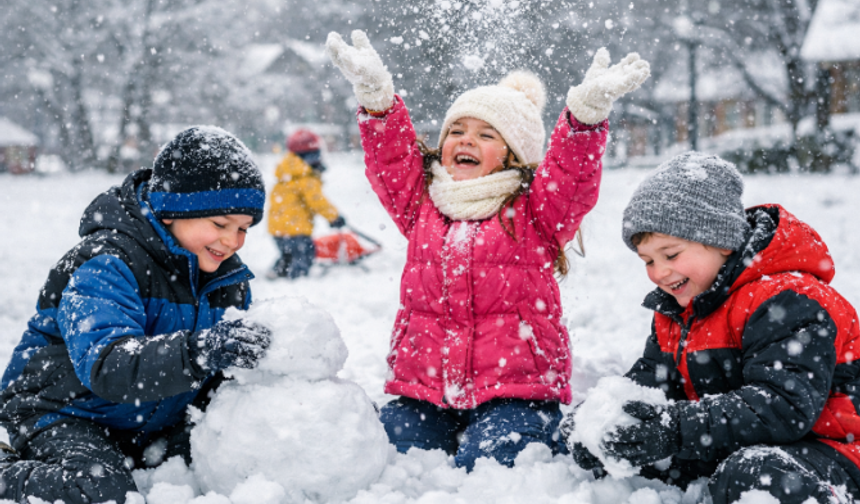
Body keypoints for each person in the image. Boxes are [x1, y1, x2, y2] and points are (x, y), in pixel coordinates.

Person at [326, 30, 650, 471]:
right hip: (427, 388)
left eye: (484, 134)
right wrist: (377, 100)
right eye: (456, 130)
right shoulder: (423, 205)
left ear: (514, 154)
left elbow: (570, 176)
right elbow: (392, 162)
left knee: (499, 462)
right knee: (391, 455)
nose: (465, 140)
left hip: (516, 387)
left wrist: (585, 118)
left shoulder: (535, 213)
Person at [562, 152, 860, 503]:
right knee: (635, 457)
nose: (659, 273)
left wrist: (674, 428)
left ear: (719, 240)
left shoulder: (789, 300)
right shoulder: (676, 312)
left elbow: (782, 406)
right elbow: (650, 382)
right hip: (736, 443)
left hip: (831, 451)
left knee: (753, 476)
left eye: (670, 255)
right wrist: (603, 420)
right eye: (648, 261)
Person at [0, 126, 274, 504]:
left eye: (244, 228)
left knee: (246, 463)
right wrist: (200, 351)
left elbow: (223, 376)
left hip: (149, 421)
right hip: (65, 413)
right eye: (220, 224)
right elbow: (108, 365)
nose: (233, 241)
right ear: (172, 211)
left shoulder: (227, 280)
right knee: (102, 491)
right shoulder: (108, 262)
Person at [267, 128, 346, 279]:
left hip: (277, 229)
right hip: (296, 229)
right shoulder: (306, 177)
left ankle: (278, 272)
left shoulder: (287, 172)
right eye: (316, 156)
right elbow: (317, 201)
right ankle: (297, 281)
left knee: (289, 254)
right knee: (304, 255)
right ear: (308, 156)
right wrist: (334, 217)